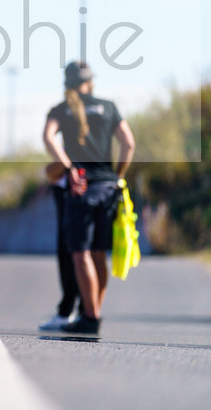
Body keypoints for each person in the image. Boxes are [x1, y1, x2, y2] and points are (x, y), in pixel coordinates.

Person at [43, 61, 135, 335]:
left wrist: (69, 167)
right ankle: (93, 312)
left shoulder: (62, 109)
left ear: (67, 82)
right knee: (97, 254)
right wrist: (117, 176)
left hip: (81, 186)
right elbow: (129, 144)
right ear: (90, 81)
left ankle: (90, 316)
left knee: (80, 253)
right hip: (107, 187)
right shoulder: (109, 106)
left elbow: (48, 137)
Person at [37, 160, 81, 330]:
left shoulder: (72, 143)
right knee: (84, 254)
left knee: (70, 254)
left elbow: (52, 171)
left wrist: (61, 167)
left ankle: (68, 312)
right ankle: (85, 312)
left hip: (71, 192)